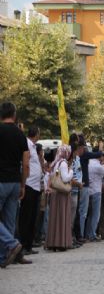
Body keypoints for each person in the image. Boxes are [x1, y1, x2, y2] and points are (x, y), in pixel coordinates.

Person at [0, 102, 28, 268]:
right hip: (15, 182)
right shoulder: (20, 134)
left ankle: (10, 244)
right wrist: (23, 184)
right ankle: (4, 257)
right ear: (14, 114)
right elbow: (25, 164)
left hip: (0, 180)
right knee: (10, 222)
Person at [18, 126, 42, 255]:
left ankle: (28, 245)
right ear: (36, 134)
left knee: (33, 217)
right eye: (39, 133)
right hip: (29, 184)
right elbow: (26, 163)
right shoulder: (27, 143)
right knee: (26, 217)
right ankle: (22, 245)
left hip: (36, 186)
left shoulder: (33, 146)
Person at [45, 145, 74, 252]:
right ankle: (61, 242)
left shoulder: (55, 163)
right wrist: (71, 171)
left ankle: (53, 242)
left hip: (55, 193)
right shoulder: (63, 163)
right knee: (62, 217)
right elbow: (65, 178)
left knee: (54, 217)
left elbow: (54, 177)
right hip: (62, 194)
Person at [77, 139, 104, 243]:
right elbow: (97, 154)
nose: (86, 149)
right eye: (85, 147)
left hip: (84, 186)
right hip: (84, 186)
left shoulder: (81, 157)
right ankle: (82, 235)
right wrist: (101, 147)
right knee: (83, 212)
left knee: (84, 212)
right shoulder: (84, 155)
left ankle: (83, 234)